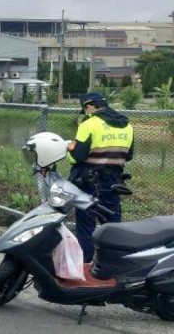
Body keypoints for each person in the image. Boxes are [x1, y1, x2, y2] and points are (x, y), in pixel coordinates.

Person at [67, 92, 134, 263]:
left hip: (89, 181)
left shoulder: (89, 123)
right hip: (113, 181)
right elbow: (129, 155)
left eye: (85, 109)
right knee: (111, 223)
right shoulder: (127, 125)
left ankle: (85, 262)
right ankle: (115, 263)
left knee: (86, 223)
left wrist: (70, 149)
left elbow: (77, 157)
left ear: (89, 106)